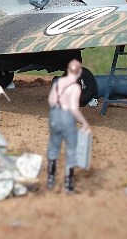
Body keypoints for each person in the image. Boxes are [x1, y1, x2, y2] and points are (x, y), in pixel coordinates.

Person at [46, 59, 91, 193]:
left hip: (55, 115)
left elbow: (51, 100)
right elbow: (74, 109)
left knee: (54, 147)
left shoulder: (58, 83)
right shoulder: (75, 87)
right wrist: (84, 122)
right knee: (71, 148)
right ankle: (68, 183)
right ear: (79, 72)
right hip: (66, 117)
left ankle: (50, 179)